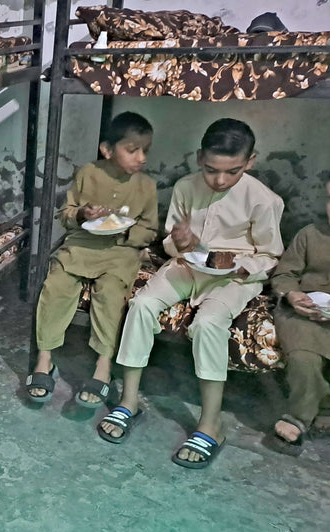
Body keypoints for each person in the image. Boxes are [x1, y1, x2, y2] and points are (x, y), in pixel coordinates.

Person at [101, 118, 284, 469]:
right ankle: (129, 401)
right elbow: (172, 240)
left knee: (209, 323)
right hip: (188, 267)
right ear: (199, 157)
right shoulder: (186, 187)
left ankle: (210, 425)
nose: (219, 180)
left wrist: (243, 264)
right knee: (140, 305)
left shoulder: (263, 200)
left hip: (234, 277)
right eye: (211, 169)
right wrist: (178, 242)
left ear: (250, 161)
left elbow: (270, 255)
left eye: (231, 172)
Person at [27, 112, 158, 407]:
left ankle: (103, 366)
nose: (141, 158)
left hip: (121, 251)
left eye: (145, 151)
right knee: (56, 284)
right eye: (132, 149)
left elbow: (150, 228)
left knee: (111, 293)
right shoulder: (87, 173)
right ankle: (45, 358)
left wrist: (127, 234)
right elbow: (67, 214)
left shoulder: (146, 187)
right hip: (82, 245)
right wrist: (83, 214)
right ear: (107, 150)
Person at [269, 175, 330, 447]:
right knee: (304, 357)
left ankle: (327, 406)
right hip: (303, 312)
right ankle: (300, 415)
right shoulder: (310, 234)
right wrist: (292, 295)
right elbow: (285, 274)